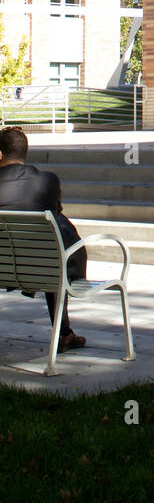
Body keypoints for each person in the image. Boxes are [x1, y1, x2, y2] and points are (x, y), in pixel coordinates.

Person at [0, 125, 87, 351]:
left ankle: (66, 332)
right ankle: (64, 333)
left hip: (4, 268)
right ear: (25, 152)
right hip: (44, 267)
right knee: (56, 240)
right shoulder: (47, 181)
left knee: (51, 246)